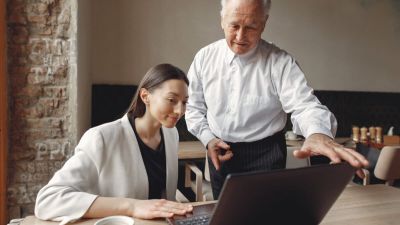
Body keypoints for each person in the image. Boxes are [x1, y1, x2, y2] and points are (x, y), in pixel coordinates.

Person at [185, 0, 369, 199]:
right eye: (234, 25)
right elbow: (193, 108)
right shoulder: (204, 58)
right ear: (222, 20)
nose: (240, 36)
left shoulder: (280, 62)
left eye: (251, 27)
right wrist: (208, 139)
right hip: (220, 152)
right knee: (225, 217)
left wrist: (317, 133)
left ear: (264, 23)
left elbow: (305, 106)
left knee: (267, 215)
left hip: (266, 154)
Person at [35, 64, 193, 223]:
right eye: (172, 100)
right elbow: (48, 200)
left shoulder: (171, 134)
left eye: (185, 102)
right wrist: (132, 206)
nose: (180, 111)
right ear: (145, 96)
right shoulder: (101, 138)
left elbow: (164, 195)